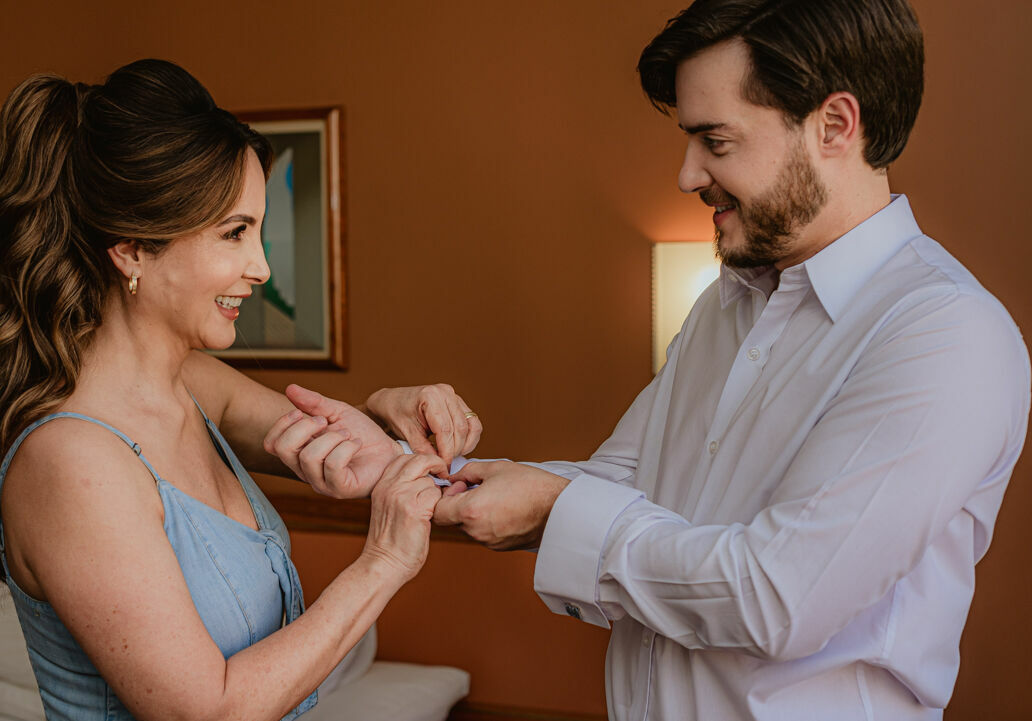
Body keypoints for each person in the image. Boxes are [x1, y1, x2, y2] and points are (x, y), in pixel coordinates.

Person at [285, 1, 1032, 719]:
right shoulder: (725, 304)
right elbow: (623, 482)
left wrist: (552, 508)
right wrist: (417, 472)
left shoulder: (943, 335)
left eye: (716, 141)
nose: (686, 173)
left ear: (835, 124)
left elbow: (776, 597)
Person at [0, 59, 482, 721]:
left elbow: (339, 447)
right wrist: (383, 560)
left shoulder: (188, 383)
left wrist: (387, 416)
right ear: (132, 249)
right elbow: (206, 711)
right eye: (234, 232)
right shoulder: (71, 461)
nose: (260, 267)